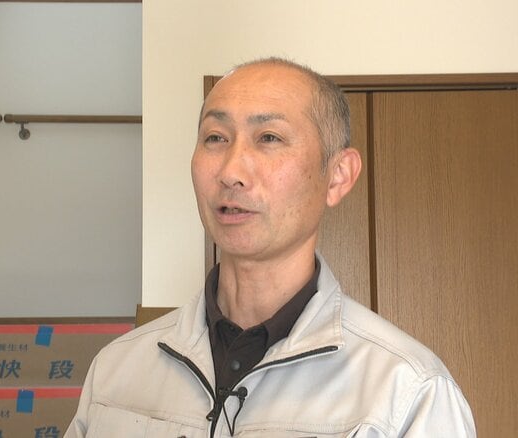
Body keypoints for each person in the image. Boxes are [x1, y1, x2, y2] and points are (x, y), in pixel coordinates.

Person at [65, 58, 476, 437]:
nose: (231, 172)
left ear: (338, 175)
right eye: (215, 137)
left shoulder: (407, 392)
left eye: (269, 137)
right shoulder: (116, 373)